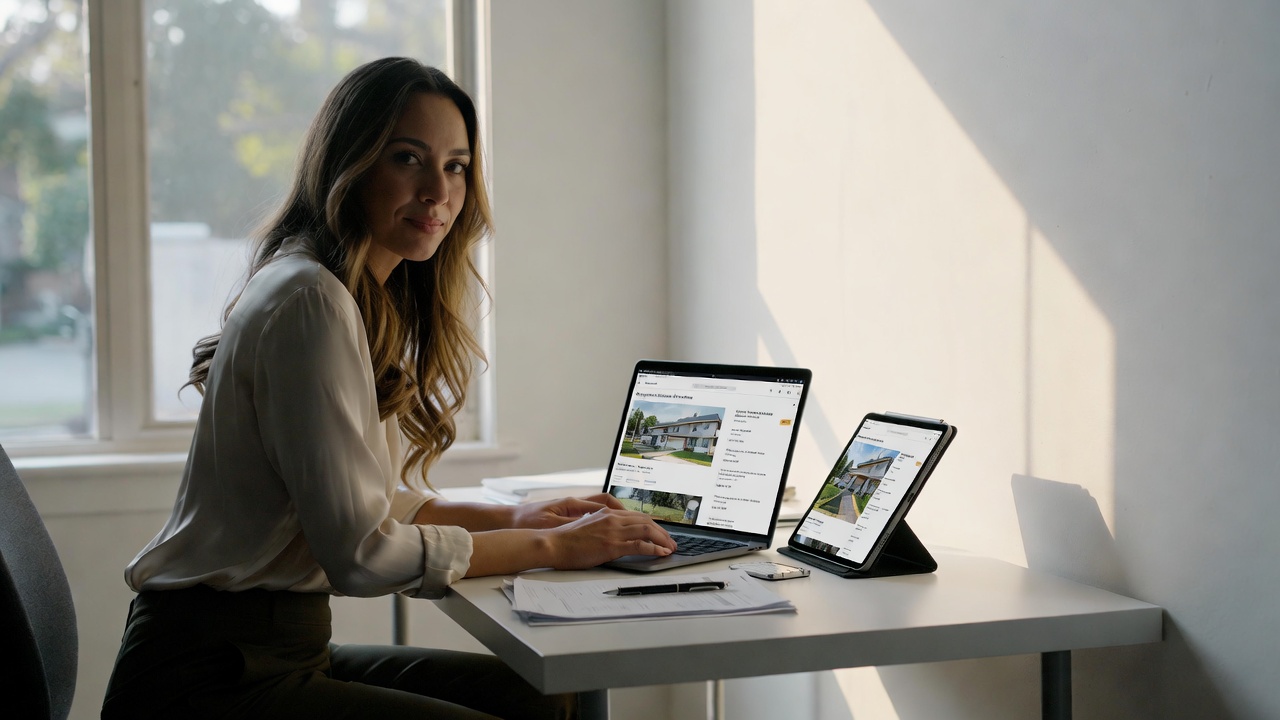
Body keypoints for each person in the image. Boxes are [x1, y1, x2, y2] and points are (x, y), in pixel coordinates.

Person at [101, 57, 677, 720]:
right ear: (349, 165)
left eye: (457, 165)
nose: (439, 190)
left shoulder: (342, 292)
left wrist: (520, 517)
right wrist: (555, 547)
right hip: (208, 678)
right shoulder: (310, 301)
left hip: (271, 651)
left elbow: (365, 503)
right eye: (409, 158)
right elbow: (362, 554)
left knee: (546, 700)